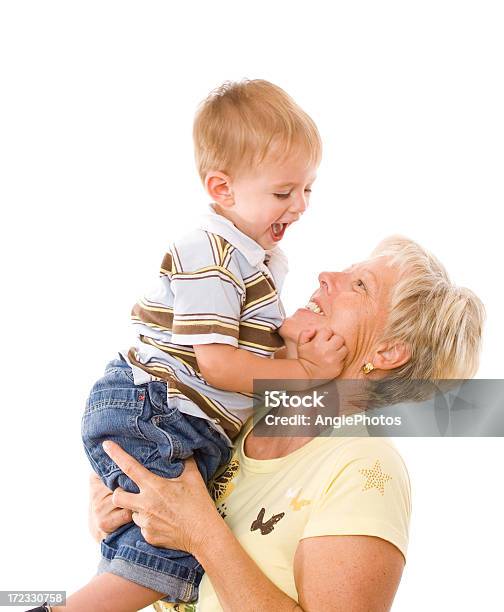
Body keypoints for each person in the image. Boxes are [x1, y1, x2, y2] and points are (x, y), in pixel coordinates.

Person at [26, 80, 349, 612]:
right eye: (284, 192)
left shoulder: (254, 260)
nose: (302, 206)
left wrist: (297, 352)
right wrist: (304, 372)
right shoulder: (213, 253)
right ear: (222, 189)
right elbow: (217, 365)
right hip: (158, 406)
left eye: (309, 189)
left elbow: (243, 359)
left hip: (169, 411)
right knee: (169, 559)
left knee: (154, 544)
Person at [77, 236, 484, 611]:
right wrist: (116, 510)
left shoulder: (367, 469)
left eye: (360, 285)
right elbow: (158, 538)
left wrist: (200, 531)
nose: (327, 276)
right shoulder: (235, 413)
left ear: (389, 351)